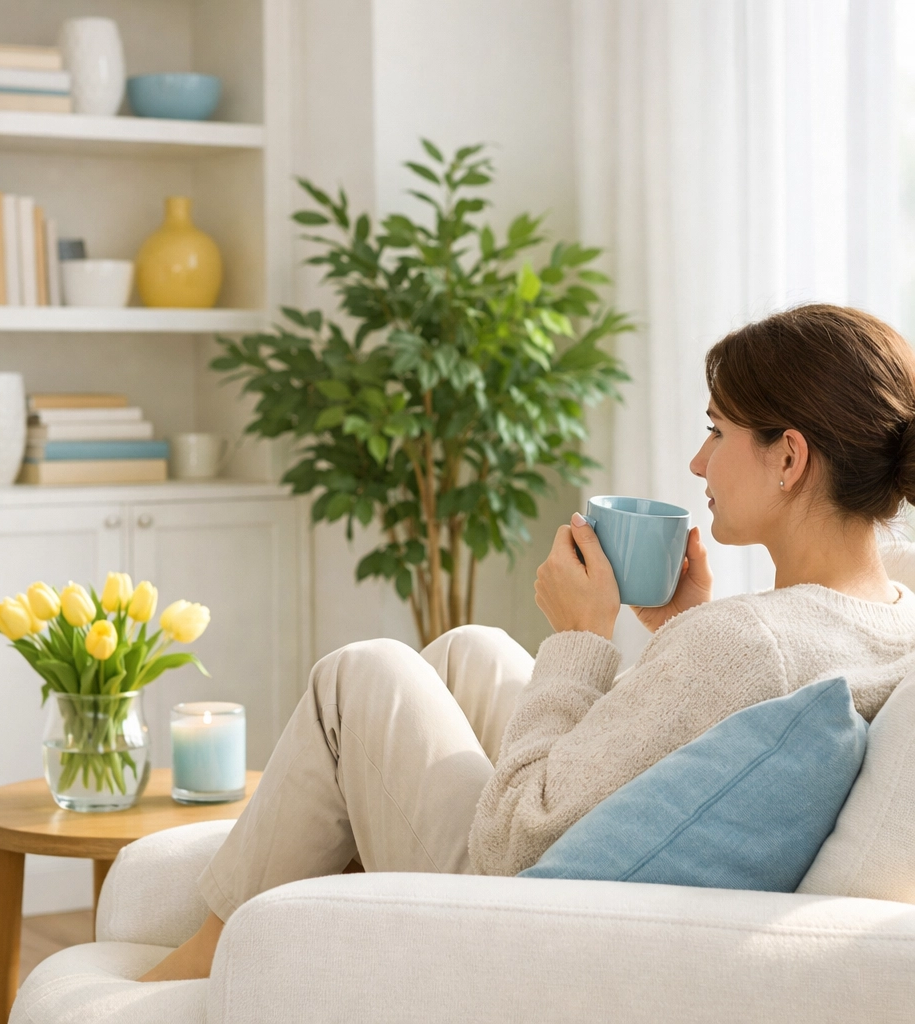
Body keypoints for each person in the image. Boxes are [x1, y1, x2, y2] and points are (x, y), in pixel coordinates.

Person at [141, 303, 915, 982]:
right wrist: (676, 629)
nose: (697, 462)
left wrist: (582, 638)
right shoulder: (891, 614)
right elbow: (675, 761)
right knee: (468, 651)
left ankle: (213, 958)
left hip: (521, 924)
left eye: (717, 432)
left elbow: (516, 840)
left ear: (789, 456)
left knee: (360, 676)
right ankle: (318, 914)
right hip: (605, 896)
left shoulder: (747, 640)